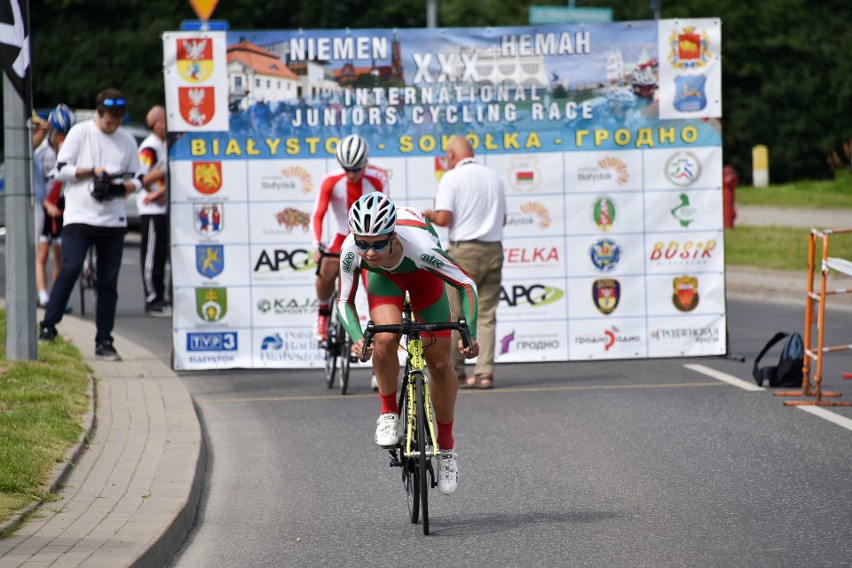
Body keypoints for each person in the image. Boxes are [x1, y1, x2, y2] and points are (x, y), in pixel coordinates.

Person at [337, 192, 480, 495]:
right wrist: (358, 338)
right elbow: (344, 301)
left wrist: (470, 332)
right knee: (385, 338)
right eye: (363, 242)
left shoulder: (421, 247)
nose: (370, 252)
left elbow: (467, 285)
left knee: (440, 365)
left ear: (392, 235)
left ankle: (448, 450)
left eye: (377, 243)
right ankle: (389, 412)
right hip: (386, 282)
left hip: (423, 277)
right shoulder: (351, 251)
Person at [38, 88, 144, 361]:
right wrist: (91, 171)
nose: (114, 126)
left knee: (107, 282)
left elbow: (139, 176)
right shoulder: (80, 133)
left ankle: (104, 340)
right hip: (80, 217)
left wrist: (124, 188)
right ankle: (49, 325)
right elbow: (60, 170)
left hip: (113, 220)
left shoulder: (127, 140)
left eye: (118, 121)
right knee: (70, 268)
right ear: (98, 114)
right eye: (109, 121)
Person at [424, 135, 506, 390]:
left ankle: (457, 373)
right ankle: (484, 374)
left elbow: (445, 218)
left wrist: (429, 214)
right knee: (486, 315)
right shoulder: (494, 177)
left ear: (452, 155)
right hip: (494, 249)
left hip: (464, 251)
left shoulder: (452, 178)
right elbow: (503, 220)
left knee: (456, 314)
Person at [311, 133, 389, 342]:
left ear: (365, 163)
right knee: (326, 269)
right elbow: (318, 214)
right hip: (341, 237)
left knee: (374, 283)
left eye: (356, 169)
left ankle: (380, 329)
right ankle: (322, 314)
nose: (351, 174)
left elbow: (388, 212)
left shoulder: (378, 178)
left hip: (368, 240)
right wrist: (316, 244)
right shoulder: (331, 180)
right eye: (346, 169)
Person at [34, 104, 75, 308]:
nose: (62, 137)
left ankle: (57, 299)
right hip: (44, 204)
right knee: (42, 253)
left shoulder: (69, 149)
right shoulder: (41, 151)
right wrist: (45, 204)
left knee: (60, 253)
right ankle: (43, 296)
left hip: (61, 203)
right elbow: (36, 182)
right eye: (60, 133)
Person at [137, 105, 171, 317]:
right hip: (152, 208)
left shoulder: (164, 144)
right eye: (166, 121)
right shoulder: (150, 147)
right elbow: (143, 177)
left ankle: (160, 296)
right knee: (151, 256)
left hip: (163, 207)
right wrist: (156, 193)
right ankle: (152, 298)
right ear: (158, 123)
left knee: (160, 256)